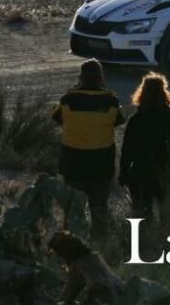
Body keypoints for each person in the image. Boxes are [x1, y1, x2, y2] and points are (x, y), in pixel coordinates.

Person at [51, 59, 125, 237]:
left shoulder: (68, 99)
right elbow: (120, 120)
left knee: (73, 210)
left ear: (80, 78)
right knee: (99, 210)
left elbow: (56, 117)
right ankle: (101, 245)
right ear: (101, 78)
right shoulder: (111, 101)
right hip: (101, 164)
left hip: (72, 164)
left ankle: (73, 244)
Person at [118, 73, 170, 219]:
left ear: (142, 92)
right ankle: (166, 239)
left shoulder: (136, 120)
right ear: (164, 92)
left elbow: (127, 150)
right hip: (166, 172)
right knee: (167, 215)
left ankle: (145, 240)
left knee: (142, 216)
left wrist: (124, 173)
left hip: (140, 173)